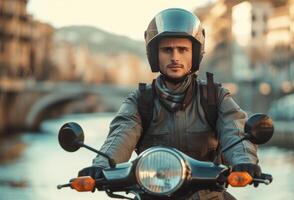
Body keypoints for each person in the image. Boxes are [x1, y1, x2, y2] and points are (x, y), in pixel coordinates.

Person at [78, 8, 261, 200]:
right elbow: (120, 134)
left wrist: (244, 161)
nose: (175, 57)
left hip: (208, 196)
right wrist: (100, 166)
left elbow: (235, 130)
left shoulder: (214, 97)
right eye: (167, 50)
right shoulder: (141, 101)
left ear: (195, 54)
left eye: (183, 49)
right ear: (154, 55)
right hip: (152, 195)